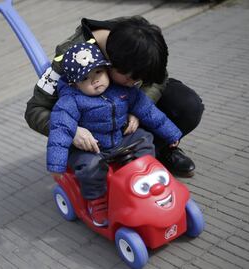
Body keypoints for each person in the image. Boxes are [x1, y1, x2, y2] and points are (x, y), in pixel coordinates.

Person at [26, 16, 204, 177]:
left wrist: (138, 108)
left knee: (188, 106)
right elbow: (34, 110)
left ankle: (160, 151)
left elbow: (158, 78)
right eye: (132, 78)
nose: (137, 82)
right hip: (92, 126)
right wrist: (73, 131)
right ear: (110, 64)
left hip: (128, 107)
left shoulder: (137, 37)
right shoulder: (72, 58)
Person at [47, 42, 182, 227]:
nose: (95, 80)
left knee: (145, 138)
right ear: (75, 84)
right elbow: (60, 129)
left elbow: (148, 111)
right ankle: (97, 201)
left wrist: (171, 133)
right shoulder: (71, 101)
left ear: (106, 70)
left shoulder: (122, 91)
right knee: (90, 166)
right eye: (86, 78)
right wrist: (56, 164)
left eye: (98, 73)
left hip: (119, 138)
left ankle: (146, 177)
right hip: (91, 148)